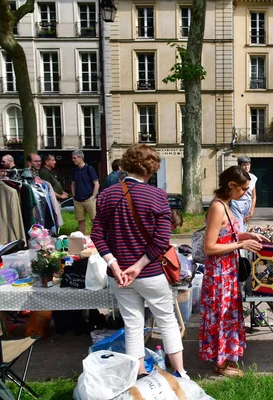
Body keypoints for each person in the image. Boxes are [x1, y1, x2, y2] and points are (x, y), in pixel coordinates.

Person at [90, 144, 189, 379]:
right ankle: (180, 372)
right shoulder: (157, 195)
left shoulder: (107, 194)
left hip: (120, 275)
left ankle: (141, 374)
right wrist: (138, 266)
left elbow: (96, 235)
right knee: (167, 320)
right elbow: (161, 240)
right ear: (152, 169)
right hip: (150, 273)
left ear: (126, 164)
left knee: (133, 323)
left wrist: (115, 265)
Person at [200, 166, 268, 377]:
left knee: (227, 316)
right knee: (221, 317)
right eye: (243, 189)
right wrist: (241, 246)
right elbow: (209, 247)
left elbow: (228, 235)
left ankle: (224, 359)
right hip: (219, 275)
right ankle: (220, 364)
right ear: (231, 186)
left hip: (227, 273)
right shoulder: (218, 207)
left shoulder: (226, 205)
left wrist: (248, 236)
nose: (246, 193)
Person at [71, 150, 99, 235]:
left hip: (89, 198)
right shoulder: (74, 170)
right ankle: (81, 240)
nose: (73, 160)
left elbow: (96, 184)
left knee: (94, 220)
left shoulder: (89, 168)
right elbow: (73, 184)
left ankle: (97, 237)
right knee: (81, 221)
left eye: (75, 158)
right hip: (78, 199)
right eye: (72, 158)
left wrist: (93, 197)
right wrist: (74, 195)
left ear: (80, 158)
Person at [230, 155, 257, 232]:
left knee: (244, 227)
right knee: (238, 229)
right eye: (244, 165)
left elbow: (254, 196)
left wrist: (252, 211)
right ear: (239, 166)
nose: (246, 167)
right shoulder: (235, 177)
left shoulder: (253, 178)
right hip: (237, 203)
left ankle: (242, 243)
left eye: (248, 164)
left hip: (247, 204)